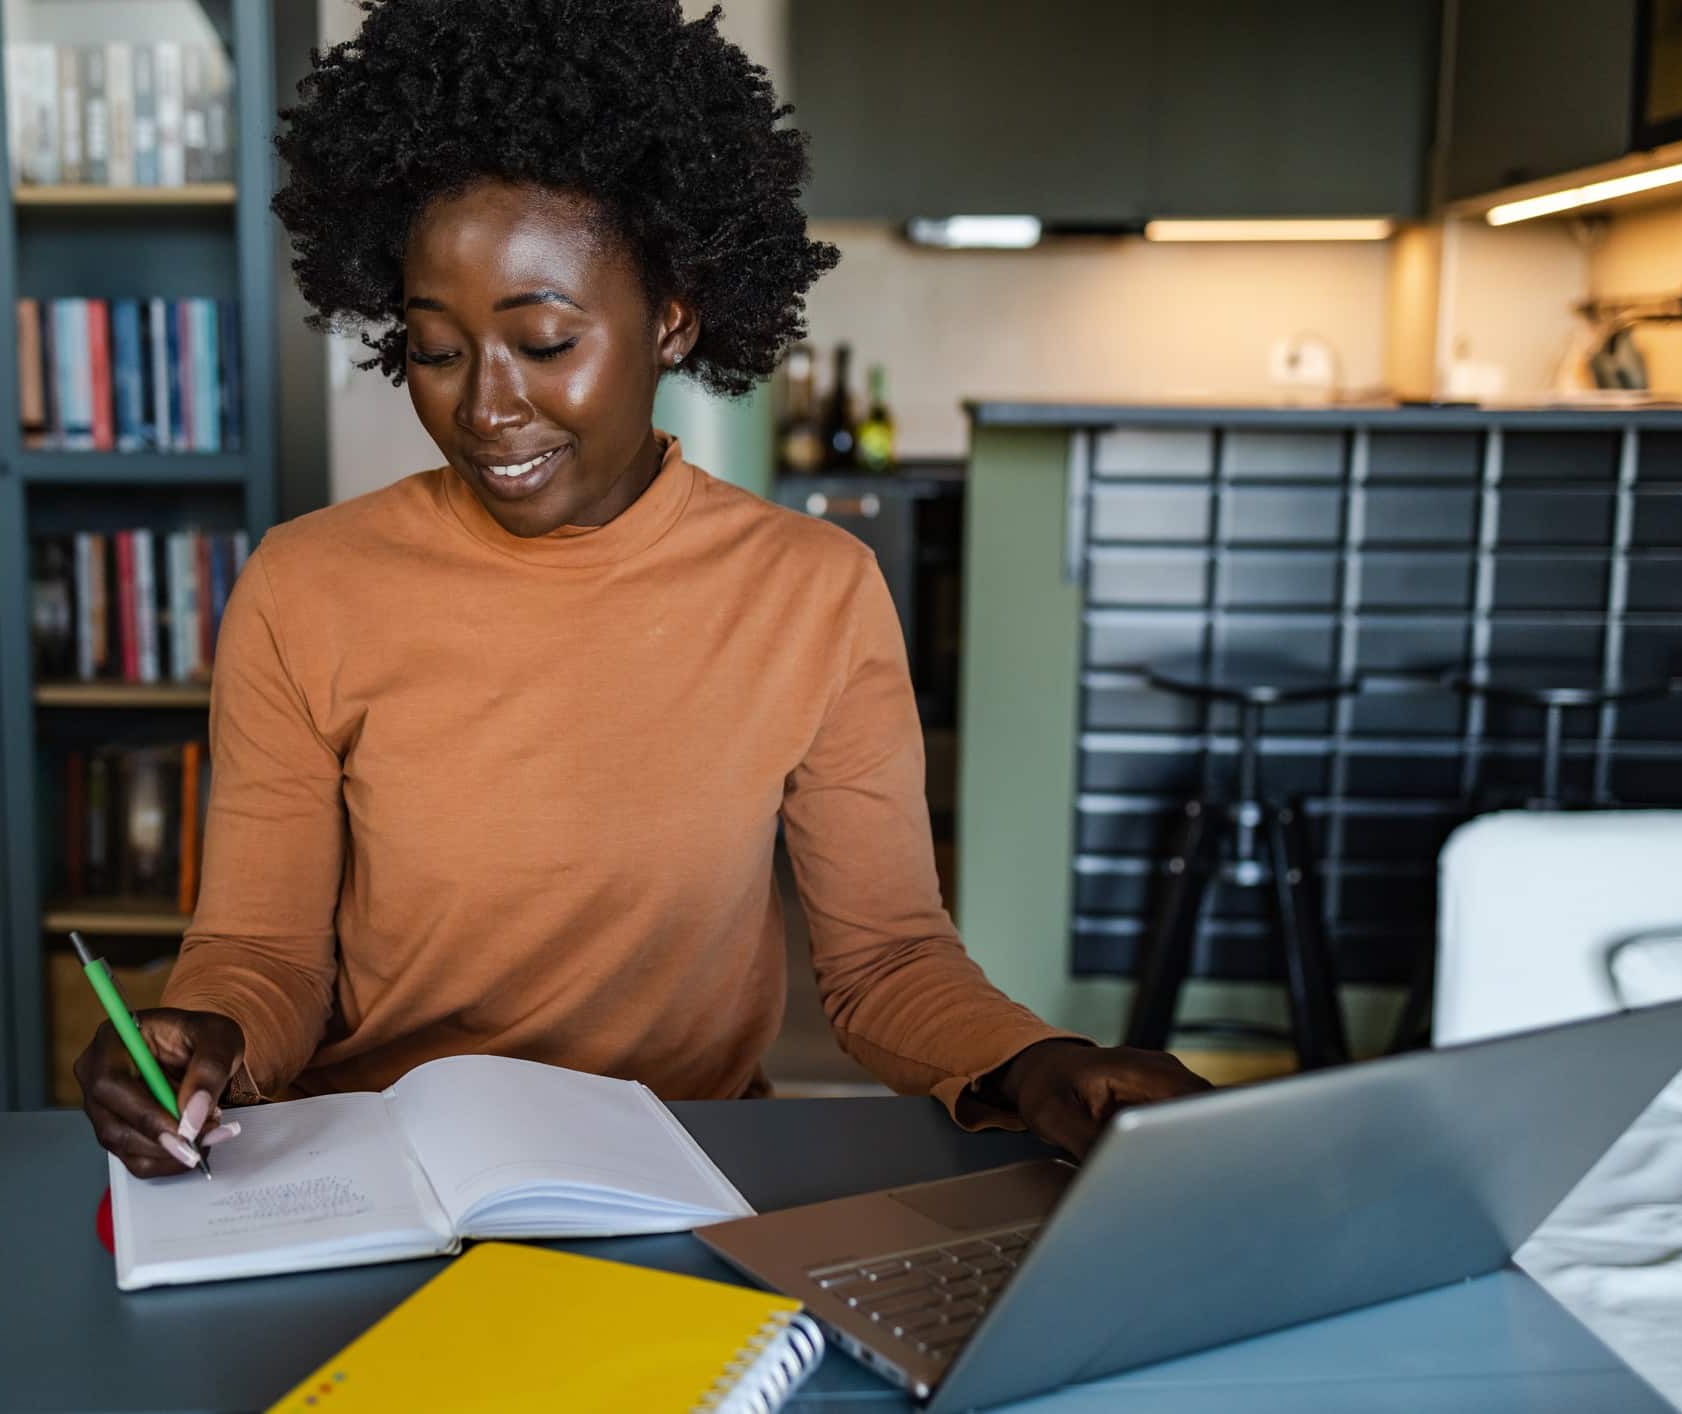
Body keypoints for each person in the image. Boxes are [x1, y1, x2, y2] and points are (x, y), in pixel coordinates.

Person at [77, 0, 1208, 1179]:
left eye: (546, 342)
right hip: (373, 1177)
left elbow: (884, 961)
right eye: (435, 348)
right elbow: (261, 949)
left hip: (677, 1170)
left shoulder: (812, 593)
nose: (485, 408)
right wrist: (202, 1035)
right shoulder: (304, 587)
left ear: (670, 319)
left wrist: (1032, 1062)